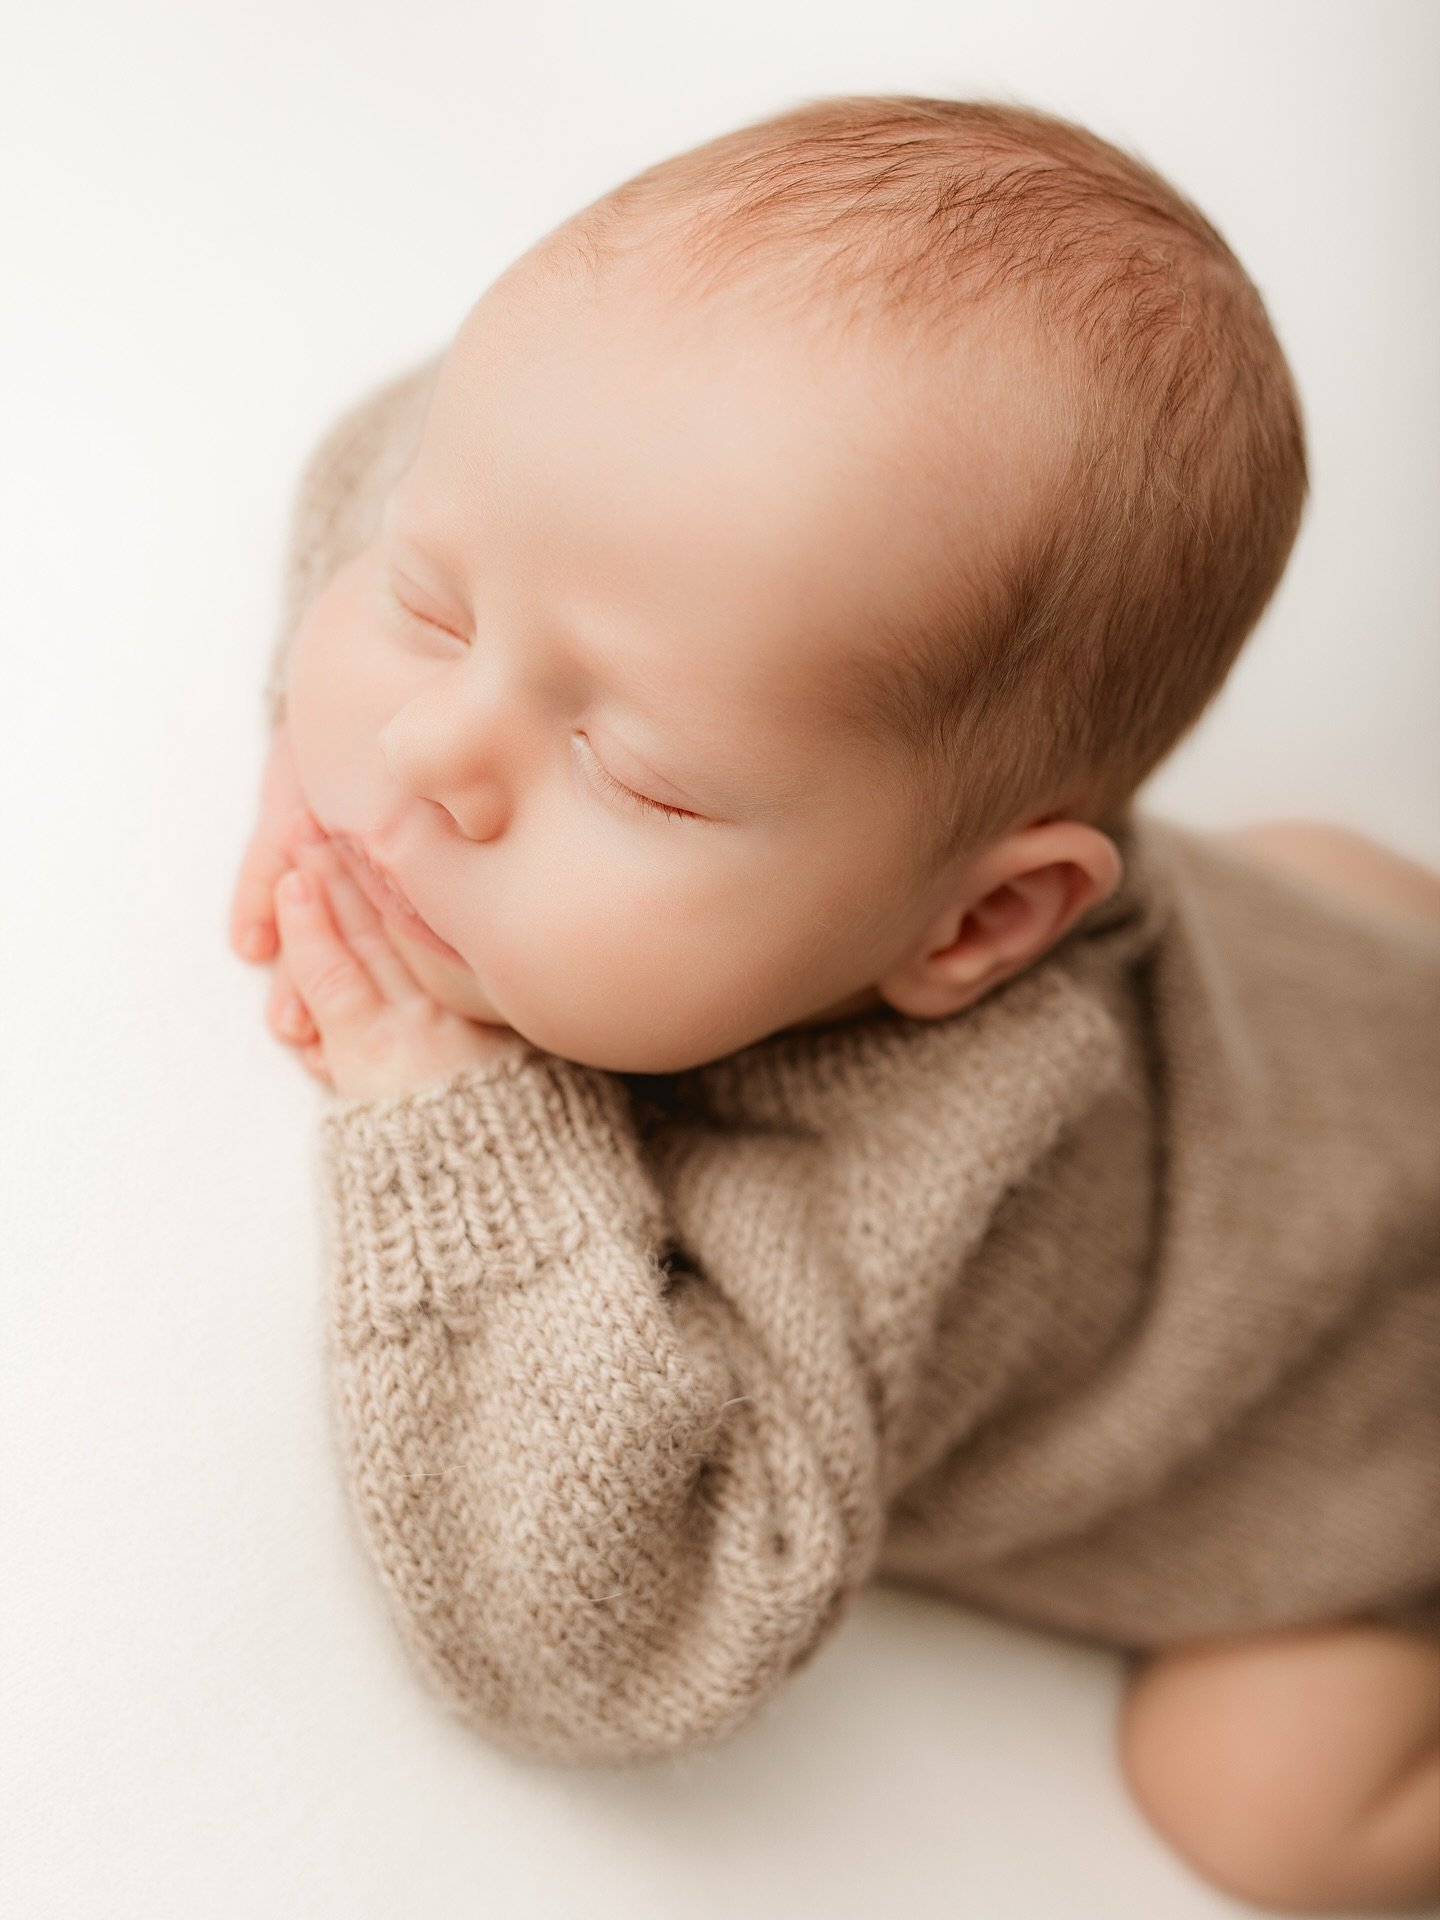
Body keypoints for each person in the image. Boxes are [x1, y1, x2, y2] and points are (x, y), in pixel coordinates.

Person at [228, 97, 1440, 1912]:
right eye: (425, 602)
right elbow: (430, 444)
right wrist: (310, 731)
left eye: (636, 776)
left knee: (1259, 1802)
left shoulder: (899, 1196)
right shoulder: (614, 550)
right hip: (1347, 1012)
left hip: (1373, 1408)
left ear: (980, 923)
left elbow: (613, 1636)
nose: (425, 752)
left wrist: (455, 1104)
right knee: (1318, 869)